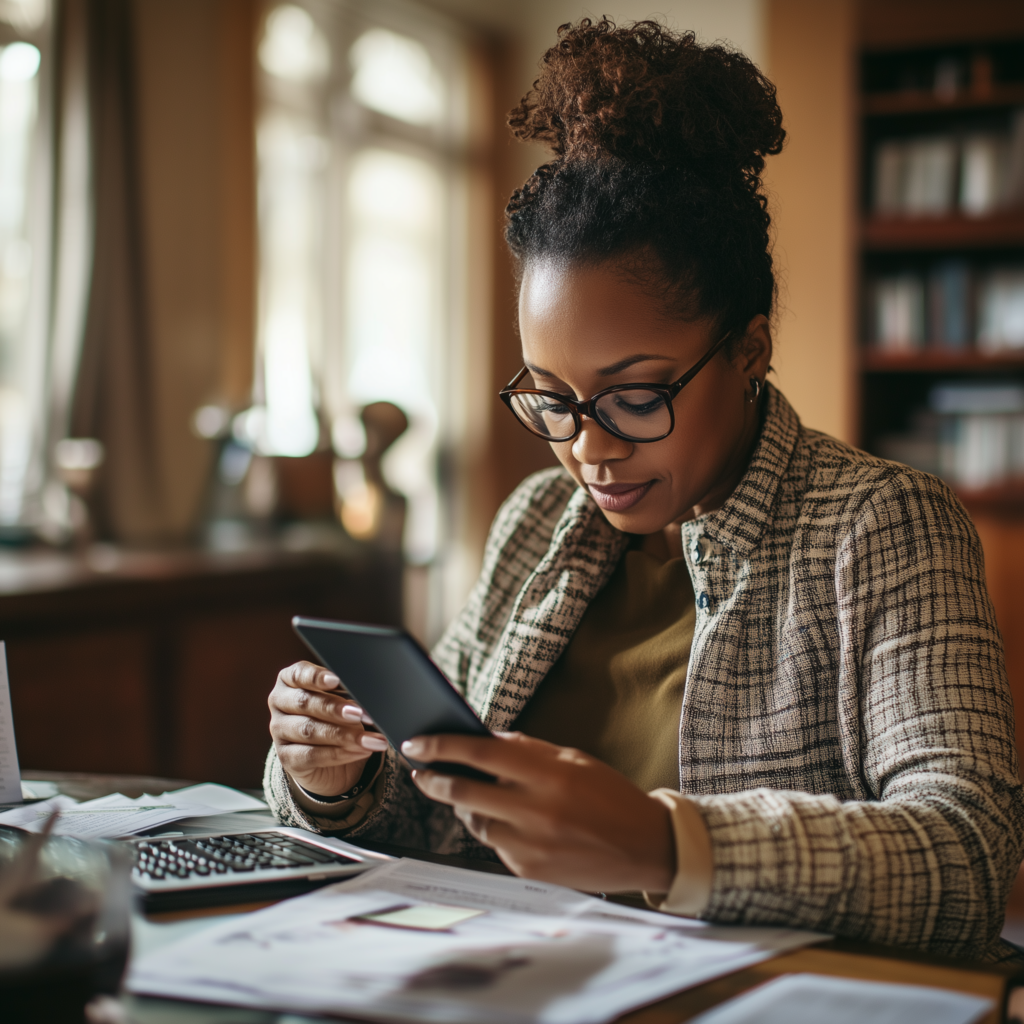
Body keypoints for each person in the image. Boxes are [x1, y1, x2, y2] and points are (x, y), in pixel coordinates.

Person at [264, 19, 1024, 960]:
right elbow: (443, 822)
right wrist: (337, 779)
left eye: (633, 396)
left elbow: (967, 854)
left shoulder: (878, 525)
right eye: (552, 399)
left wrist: (669, 848)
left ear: (749, 350)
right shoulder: (539, 521)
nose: (587, 450)